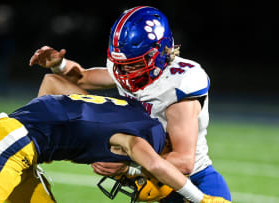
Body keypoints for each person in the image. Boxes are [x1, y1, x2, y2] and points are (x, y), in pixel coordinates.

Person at [29, 6, 231, 202]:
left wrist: (128, 166)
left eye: (133, 65)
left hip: (192, 179)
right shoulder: (127, 68)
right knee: (54, 83)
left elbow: (185, 162)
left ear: (158, 54)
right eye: (120, 66)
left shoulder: (177, 86)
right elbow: (82, 77)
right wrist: (60, 65)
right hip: (155, 174)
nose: (124, 74)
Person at [0, 94, 230, 203]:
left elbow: (52, 89)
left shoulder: (136, 112)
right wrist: (200, 199)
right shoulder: (144, 139)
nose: (129, 180)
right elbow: (156, 165)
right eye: (138, 182)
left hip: (25, 151)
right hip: (11, 143)